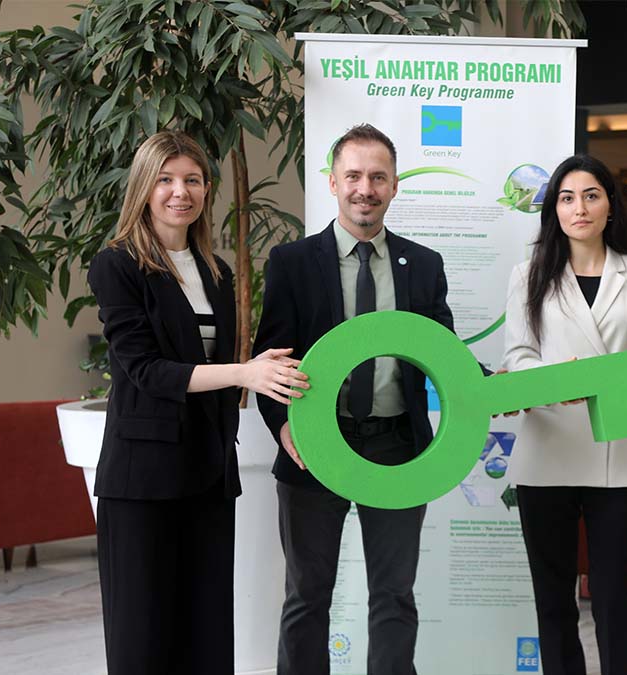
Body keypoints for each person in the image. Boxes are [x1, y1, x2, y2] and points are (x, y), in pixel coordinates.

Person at [88, 130, 307, 675]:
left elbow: (215, 369)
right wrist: (246, 372)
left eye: (192, 180)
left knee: (205, 635)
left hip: (208, 473)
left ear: (207, 189)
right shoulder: (117, 265)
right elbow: (144, 370)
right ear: (143, 187)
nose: (179, 192)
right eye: (165, 179)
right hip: (142, 480)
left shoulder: (216, 271)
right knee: (143, 638)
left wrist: (260, 369)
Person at [253, 123, 455, 675]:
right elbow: (272, 360)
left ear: (394, 185)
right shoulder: (292, 262)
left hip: (396, 446)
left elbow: (444, 355)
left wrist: (491, 386)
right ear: (332, 182)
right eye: (354, 176)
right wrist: (284, 427)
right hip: (314, 447)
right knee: (307, 594)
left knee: (394, 595)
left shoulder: (424, 264)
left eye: (378, 177)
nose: (366, 188)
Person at [502, 155, 627, 675]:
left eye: (591, 195)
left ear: (610, 205)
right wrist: (558, 382)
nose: (580, 208)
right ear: (554, 209)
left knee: (615, 594)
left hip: (617, 449)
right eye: (567, 198)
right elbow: (517, 357)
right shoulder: (528, 274)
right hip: (548, 446)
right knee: (553, 597)